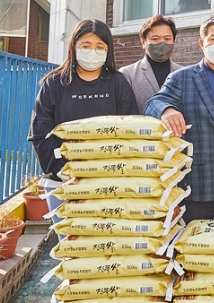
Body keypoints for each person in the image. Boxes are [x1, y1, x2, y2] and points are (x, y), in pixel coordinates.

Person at [29, 19, 140, 220]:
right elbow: (40, 133)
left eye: (100, 47)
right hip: (64, 181)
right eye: (86, 46)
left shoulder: (118, 83)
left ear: (108, 50)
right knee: (70, 236)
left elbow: (131, 131)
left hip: (109, 180)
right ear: (74, 46)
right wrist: (61, 169)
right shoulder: (54, 84)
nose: (92, 52)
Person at [145, 15, 214, 221]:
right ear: (202, 43)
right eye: (213, 39)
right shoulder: (182, 78)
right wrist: (167, 110)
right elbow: (152, 103)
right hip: (199, 182)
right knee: (195, 239)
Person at [120, 14, 184, 110]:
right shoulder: (128, 74)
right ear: (143, 42)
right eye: (155, 39)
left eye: (167, 39)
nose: (162, 43)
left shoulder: (184, 74)